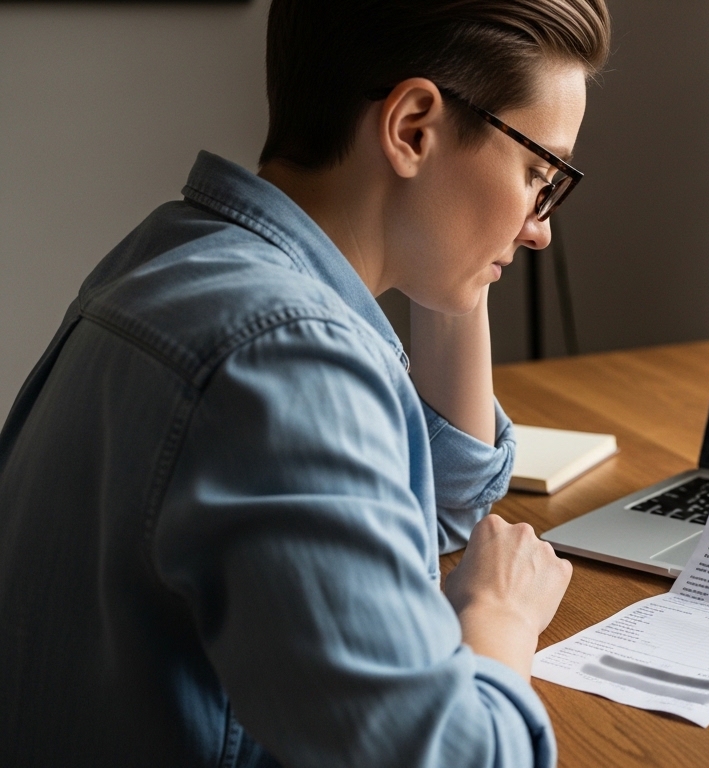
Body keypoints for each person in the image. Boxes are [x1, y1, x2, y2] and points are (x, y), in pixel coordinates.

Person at [0, 1, 609, 765]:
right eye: (537, 176)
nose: (539, 227)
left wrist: (459, 256)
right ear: (411, 127)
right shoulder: (285, 355)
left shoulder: (181, 254)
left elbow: (432, 503)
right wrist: (499, 616)